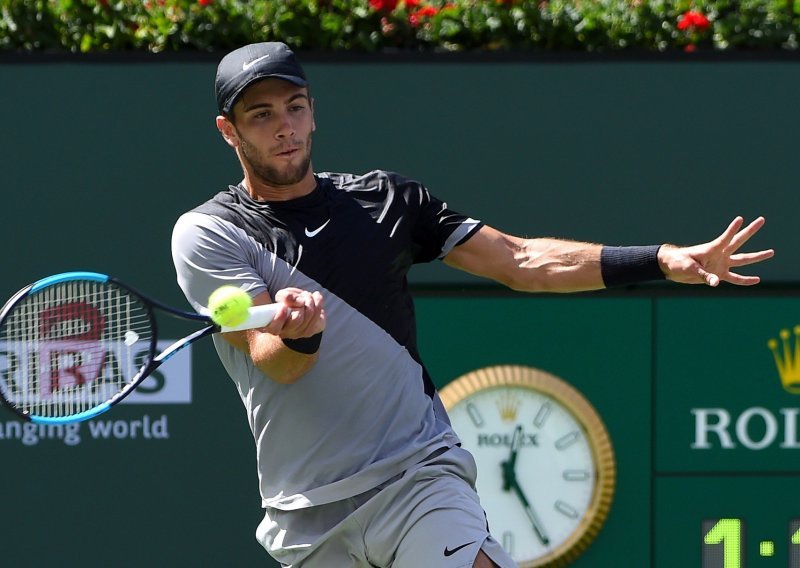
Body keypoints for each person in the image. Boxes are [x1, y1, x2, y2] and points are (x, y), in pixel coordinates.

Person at [171, 42, 774, 568]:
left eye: (295, 107)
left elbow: (519, 261)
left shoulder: (387, 201)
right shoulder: (211, 233)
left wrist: (661, 259)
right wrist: (301, 333)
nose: (285, 127)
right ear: (229, 130)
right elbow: (275, 361)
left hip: (415, 473)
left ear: (313, 110)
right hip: (305, 509)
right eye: (261, 115)